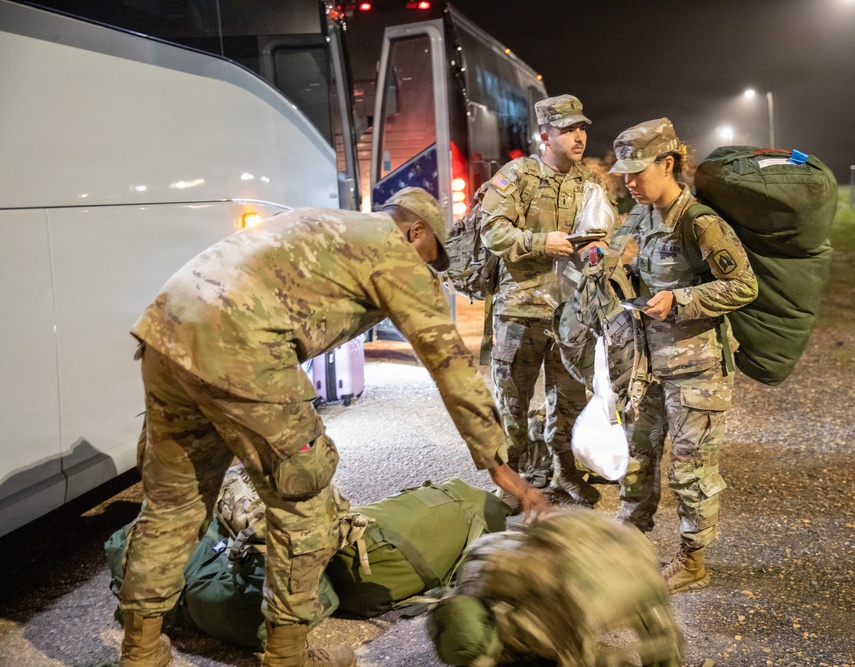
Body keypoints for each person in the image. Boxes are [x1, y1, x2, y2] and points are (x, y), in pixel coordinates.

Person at [115, 187, 549, 667]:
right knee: (305, 510)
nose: (429, 268)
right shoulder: (393, 252)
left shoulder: (326, 224)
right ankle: (287, 659)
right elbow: (451, 366)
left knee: (173, 505)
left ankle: (140, 653)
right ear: (416, 230)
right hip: (241, 348)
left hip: (165, 331)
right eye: (431, 256)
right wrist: (497, 463)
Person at [606, 119, 758, 593]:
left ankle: (692, 561)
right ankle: (629, 542)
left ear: (668, 164)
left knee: (691, 468)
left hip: (697, 369)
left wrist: (681, 300)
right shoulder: (644, 217)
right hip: (648, 363)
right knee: (637, 454)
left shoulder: (701, 222)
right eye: (624, 174)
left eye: (637, 172)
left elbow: (744, 285)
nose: (629, 182)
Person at [479, 94, 608, 506]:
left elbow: (608, 237)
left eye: (581, 128)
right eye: (568, 129)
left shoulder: (590, 182)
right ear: (545, 135)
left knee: (569, 399)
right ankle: (511, 481)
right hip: (520, 310)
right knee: (512, 403)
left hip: (571, 311)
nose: (578, 137)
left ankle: (565, 472)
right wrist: (540, 242)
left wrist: (600, 250)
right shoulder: (517, 176)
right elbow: (491, 231)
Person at [426, 507, 685, 667]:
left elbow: (575, 658)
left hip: (620, 578)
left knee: (661, 644)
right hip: (602, 537)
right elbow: (512, 540)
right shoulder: (474, 568)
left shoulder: (542, 627)